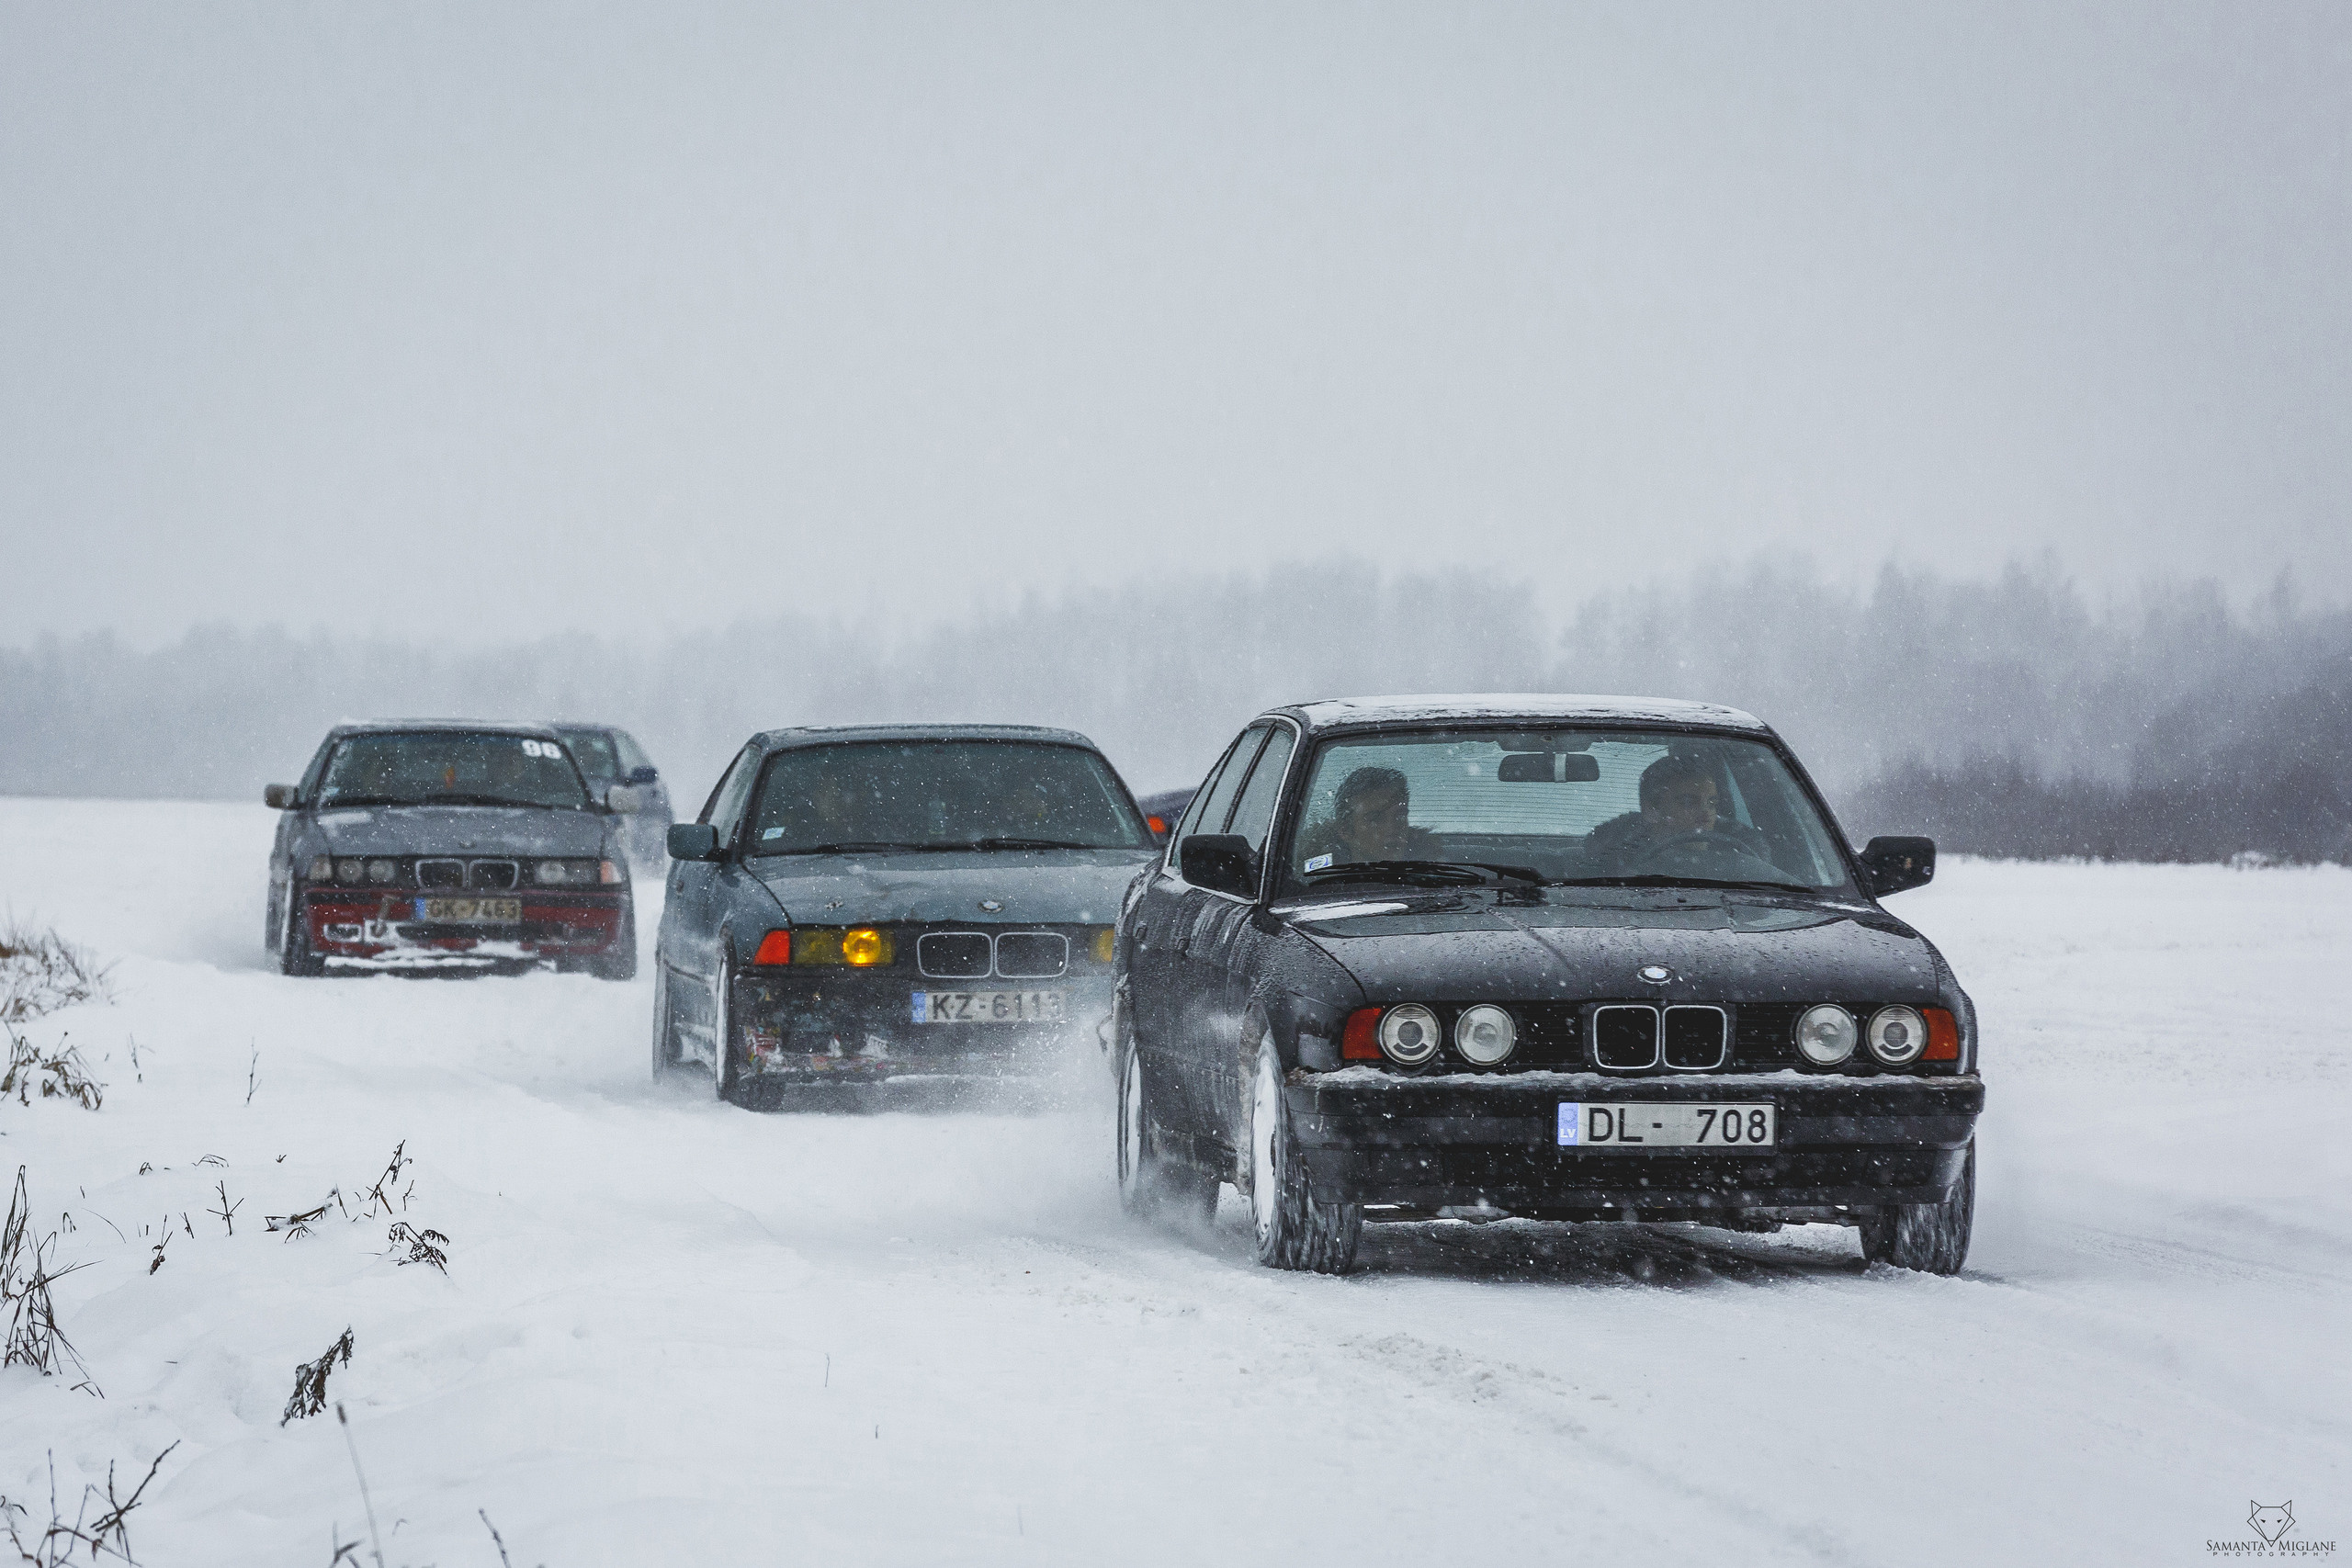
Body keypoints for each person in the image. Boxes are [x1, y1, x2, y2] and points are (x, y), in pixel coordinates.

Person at [1588, 754, 1765, 865]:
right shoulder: (1608, 868)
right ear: (1651, 810)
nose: (1707, 815)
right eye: (1689, 802)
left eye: (1711, 803)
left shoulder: (1745, 865)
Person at [1302, 765, 1440, 867]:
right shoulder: (1315, 879)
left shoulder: (1439, 875)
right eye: (1376, 819)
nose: (1392, 828)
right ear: (1345, 830)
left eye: (1400, 816)